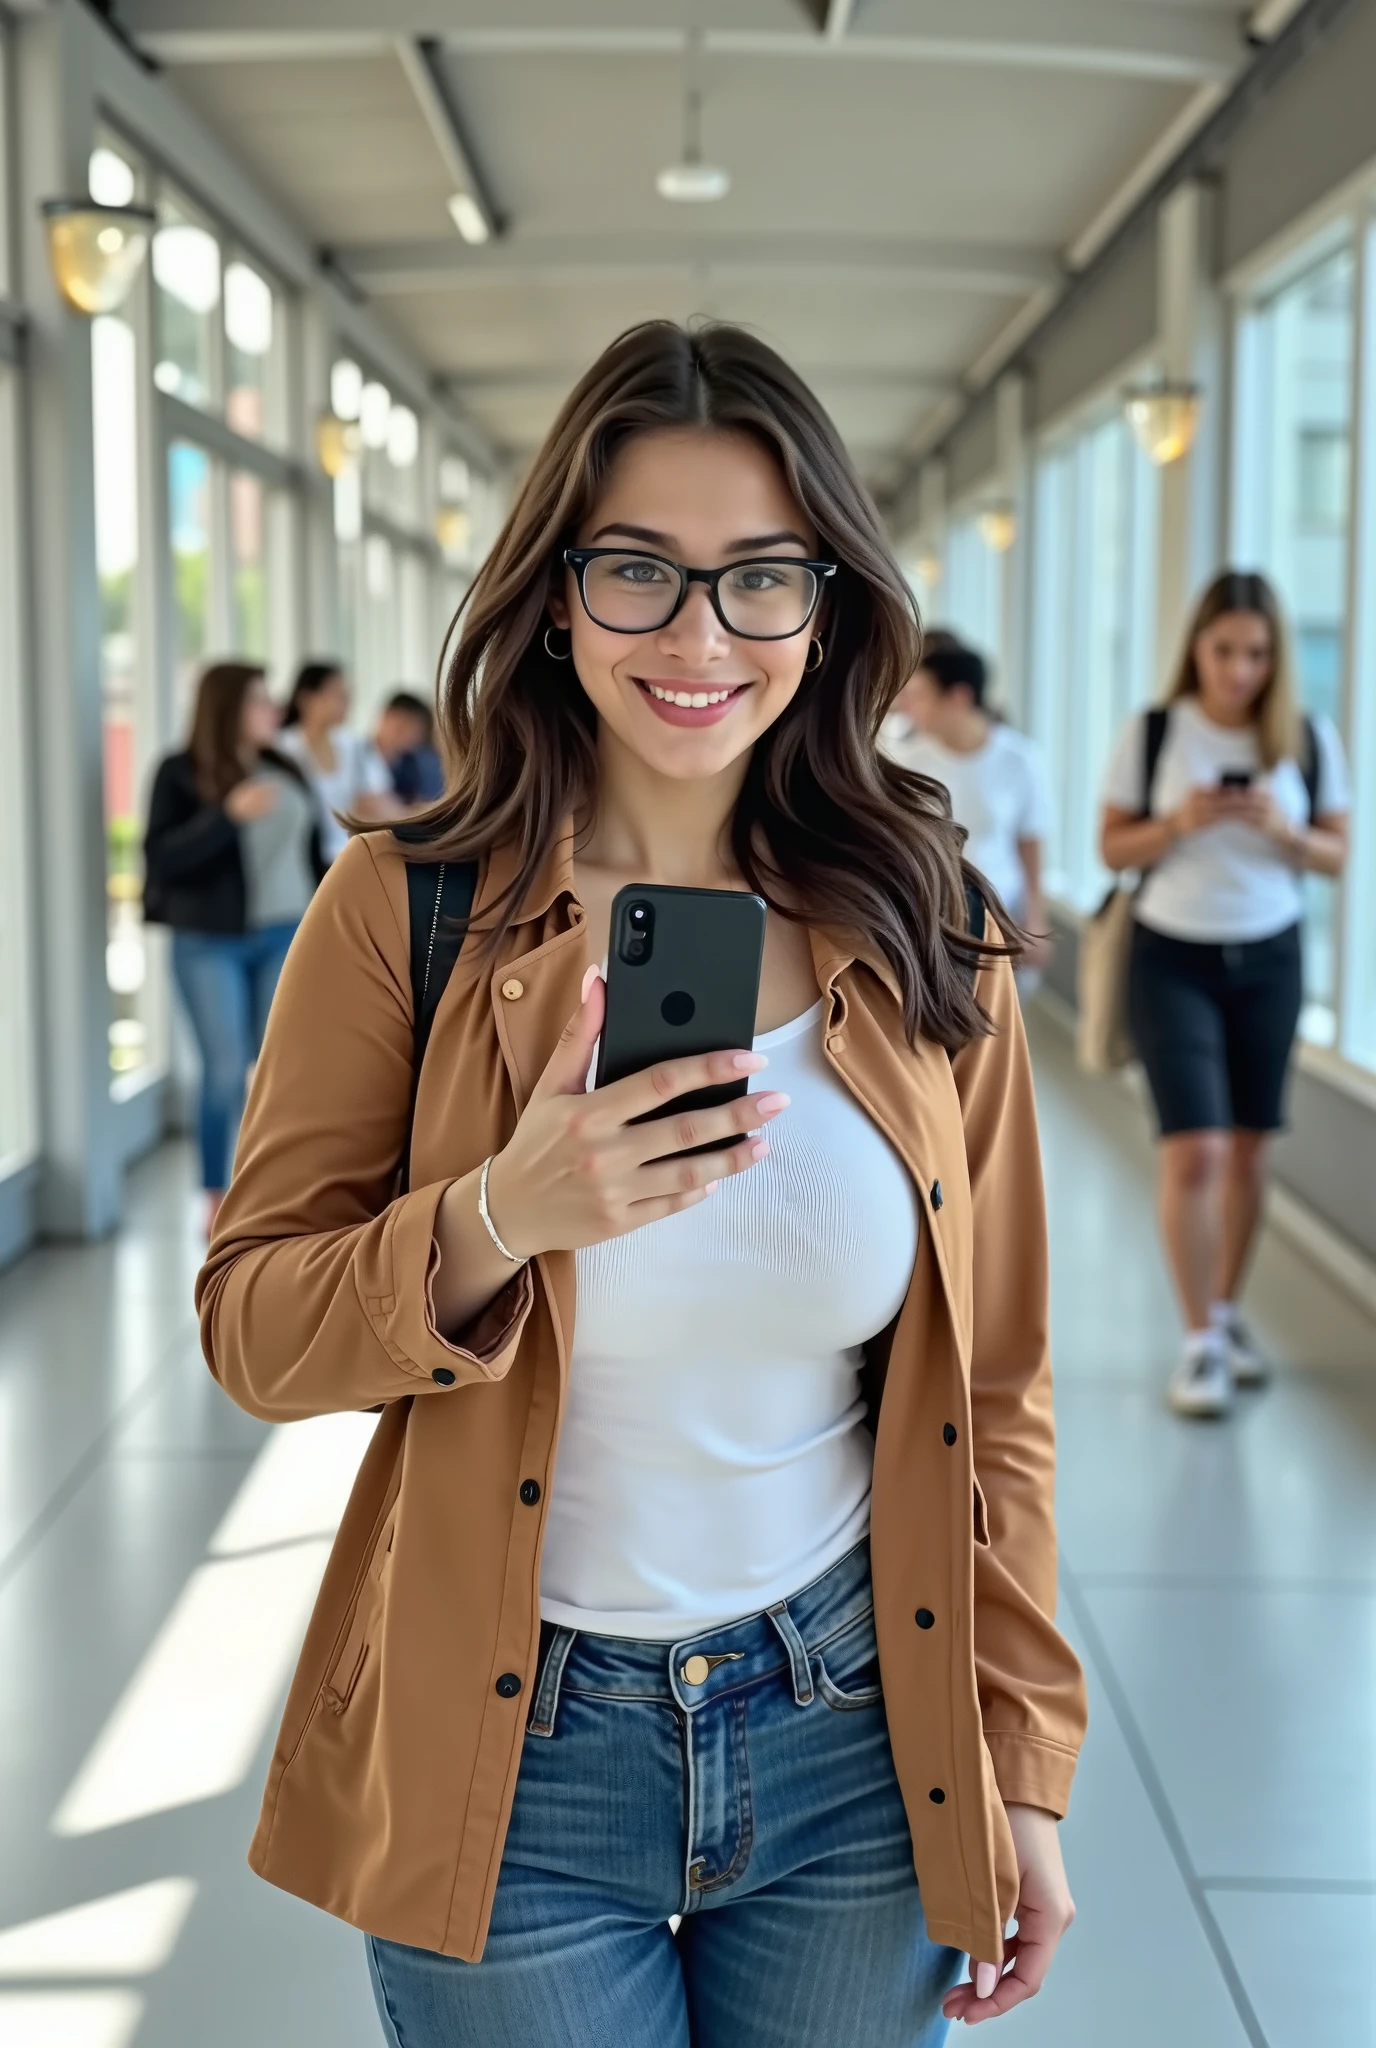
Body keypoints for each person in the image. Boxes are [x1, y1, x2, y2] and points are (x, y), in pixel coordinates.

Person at [198, 321, 1085, 2046]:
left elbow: (1001, 1392)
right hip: (506, 1744)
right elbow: (252, 1330)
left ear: (825, 608)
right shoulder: (403, 911)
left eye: (760, 578)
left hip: (854, 1725)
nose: (698, 637)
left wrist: (1022, 1763)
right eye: (637, 573)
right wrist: (497, 1215)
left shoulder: (926, 929)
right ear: (552, 596)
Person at [1100, 570, 1350, 1419]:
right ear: (1196, 649)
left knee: (1250, 1150)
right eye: (1223, 650)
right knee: (1195, 1148)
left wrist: (1285, 832)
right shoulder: (1157, 732)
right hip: (1172, 956)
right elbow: (1110, 848)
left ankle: (1228, 1312)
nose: (1239, 670)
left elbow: (1339, 856)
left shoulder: (1307, 740)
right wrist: (1182, 822)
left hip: (1272, 958)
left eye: (1256, 653)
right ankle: (1199, 1341)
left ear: (1276, 658)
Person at [144, 662, 325, 1232]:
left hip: (286, 933)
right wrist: (227, 816)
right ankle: (216, 1194)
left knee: (278, 1066)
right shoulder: (178, 773)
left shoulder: (283, 766)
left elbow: (312, 852)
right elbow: (164, 860)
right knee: (224, 1069)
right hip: (210, 941)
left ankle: (274, 1185)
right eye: (257, 701)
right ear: (226, 711)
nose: (272, 710)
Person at [885, 643, 1051, 971]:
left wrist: (1035, 917)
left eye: (921, 696)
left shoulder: (1020, 759)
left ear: (959, 697)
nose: (909, 708)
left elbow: (1030, 842)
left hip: (1003, 912)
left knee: (1001, 1012)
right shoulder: (906, 761)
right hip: (933, 914)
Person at [277, 660, 401, 860]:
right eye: (337, 695)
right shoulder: (282, 748)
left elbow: (381, 799)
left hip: (350, 856)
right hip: (304, 859)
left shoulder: (356, 746)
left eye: (348, 695)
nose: (347, 701)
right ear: (307, 699)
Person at [373, 688, 446, 806]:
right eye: (402, 726)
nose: (411, 735)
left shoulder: (409, 765)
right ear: (388, 715)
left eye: (417, 731)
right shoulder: (356, 757)